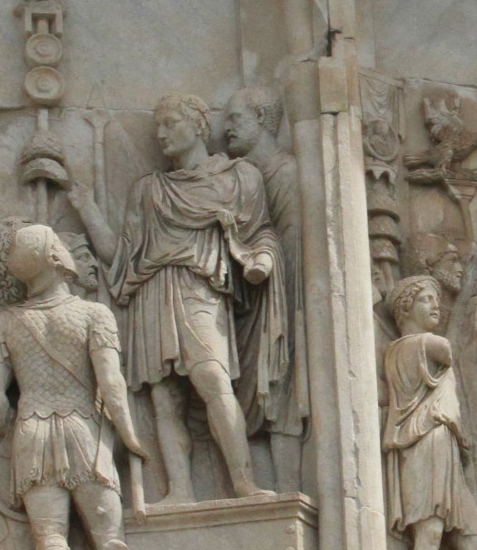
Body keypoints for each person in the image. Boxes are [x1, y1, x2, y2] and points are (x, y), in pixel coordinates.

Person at [72, 93, 278, 503]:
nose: (162, 134)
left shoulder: (240, 178)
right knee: (165, 399)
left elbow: (262, 233)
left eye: (170, 123)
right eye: (158, 127)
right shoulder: (149, 191)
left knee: (213, 379)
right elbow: (120, 255)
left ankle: (243, 482)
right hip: (153, 292)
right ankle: (179, 490)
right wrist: (88, 209)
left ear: (199, 125)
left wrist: (262, 259)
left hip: (200, 286)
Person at [0, 223, 143, 550]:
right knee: (107, 525)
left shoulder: (0, 324)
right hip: (84, 428)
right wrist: (129, 436)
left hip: (32, 432)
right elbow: (112, 384)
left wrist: (9, 427)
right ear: (56, 256)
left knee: (50, 536)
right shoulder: (93, 314)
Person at [382, 274, 477, 550]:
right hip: (423, 446)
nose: (436, 306)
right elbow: (450, 350)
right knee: (428, 536)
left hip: (446, 449)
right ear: (405, 308)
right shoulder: (415, 345)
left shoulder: (426, 345)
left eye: (437, 300)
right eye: (427, 299)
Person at [222, 82, 305, 489]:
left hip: (278, 295)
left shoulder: (285, 171)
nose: (226, 129)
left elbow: (291, 244)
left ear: (260, 119)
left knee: (279, 384)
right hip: (252, 296)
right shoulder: (246, 175)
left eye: (235, 118)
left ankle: (288, 488)